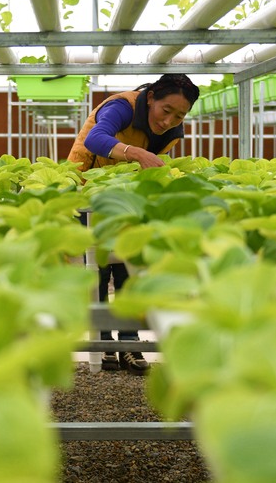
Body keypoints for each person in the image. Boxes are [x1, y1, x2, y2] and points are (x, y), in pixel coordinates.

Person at [68, 73, 200, 375]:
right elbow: (95, 138)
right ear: (151, 97)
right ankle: (103, 340)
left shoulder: (172, 131)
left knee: (127, 264)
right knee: (98, 265)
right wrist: (136, 152)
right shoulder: (122, 107)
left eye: (179, 115)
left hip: (128, 198)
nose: (169, 121)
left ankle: (128, 339)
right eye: (166, 110)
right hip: (89, 189)